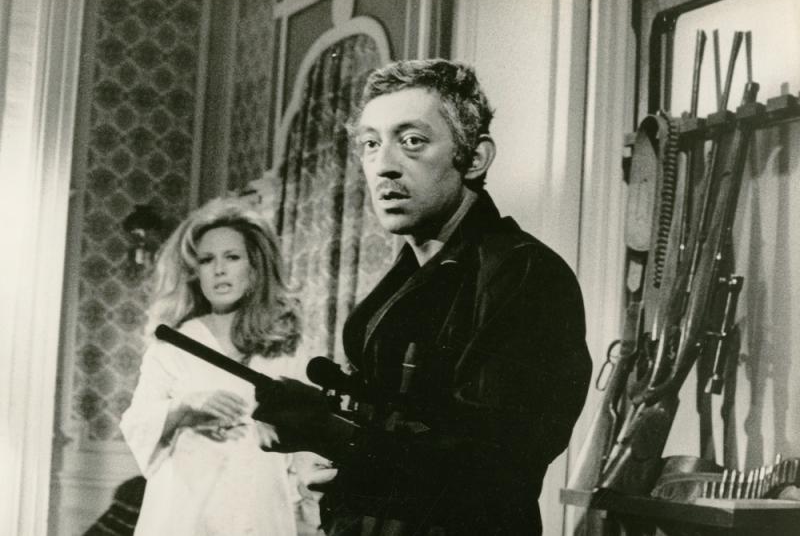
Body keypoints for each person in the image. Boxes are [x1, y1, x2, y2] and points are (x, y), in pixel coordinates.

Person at [255, 59, 592, 535]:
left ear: (474, 158)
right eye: (371, 144)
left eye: (412, 141)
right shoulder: (405, 280)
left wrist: (330, 434)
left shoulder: (525, 275)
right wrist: (322, 438)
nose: (384, 166)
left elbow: (492, 468)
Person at [120, 197, 303, 536]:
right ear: (196, 273)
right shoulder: (172, 346)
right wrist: (185, 408)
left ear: (255, 267)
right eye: (207, 260)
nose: (219, 269)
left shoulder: (285, 345)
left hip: (260, 507)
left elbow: (309, 437)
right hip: (186, 511)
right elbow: (137, 423)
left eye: (232, 257)